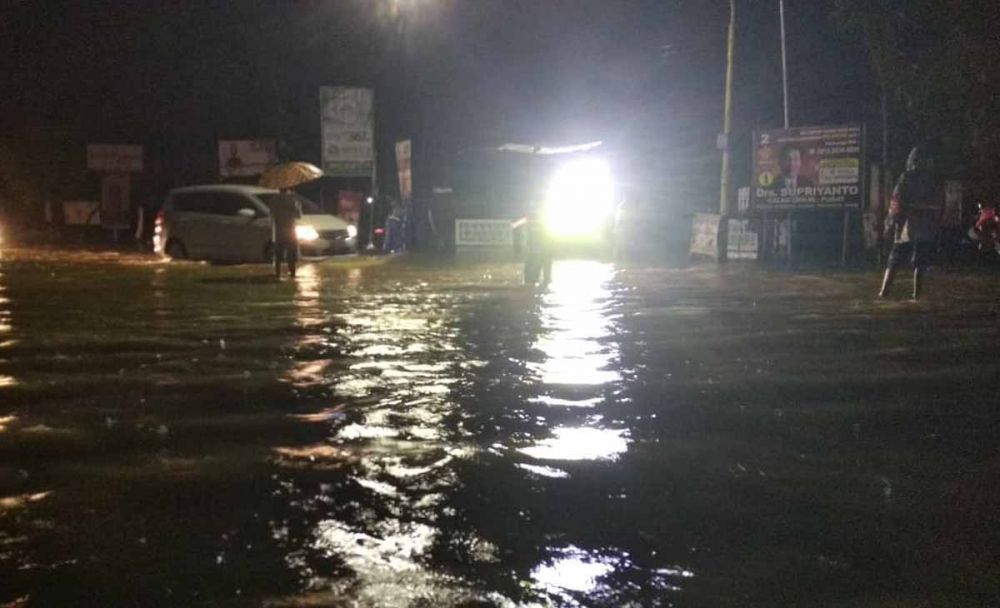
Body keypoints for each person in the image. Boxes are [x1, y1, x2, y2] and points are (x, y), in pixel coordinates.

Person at [878, 146, 943, 300]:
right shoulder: (933, 181)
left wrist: (889, 223)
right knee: (920, 261)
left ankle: (884, 293)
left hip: (906, 226)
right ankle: (916, 296)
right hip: (925, 227)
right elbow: (939, 204)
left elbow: (896, 202)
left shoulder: (906, 177)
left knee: (894, 260)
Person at [512, 200, 552, 287]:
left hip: (540, 250)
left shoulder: (535, 219)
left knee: (533, 273)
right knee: (535, 273)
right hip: (538, 250)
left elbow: (514, 226)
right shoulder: (536, 219)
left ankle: (533, 282)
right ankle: (534, 282)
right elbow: (514, 226)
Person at [270, 191, 302, 278]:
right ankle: (292, 273)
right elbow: (298, 215)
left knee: (279, 253)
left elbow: (272, 214)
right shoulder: (292, 200)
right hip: (290, 230)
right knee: (291, 252)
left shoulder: (275, 200)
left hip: (280, 230)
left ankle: (278, 273)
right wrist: (296, 205)